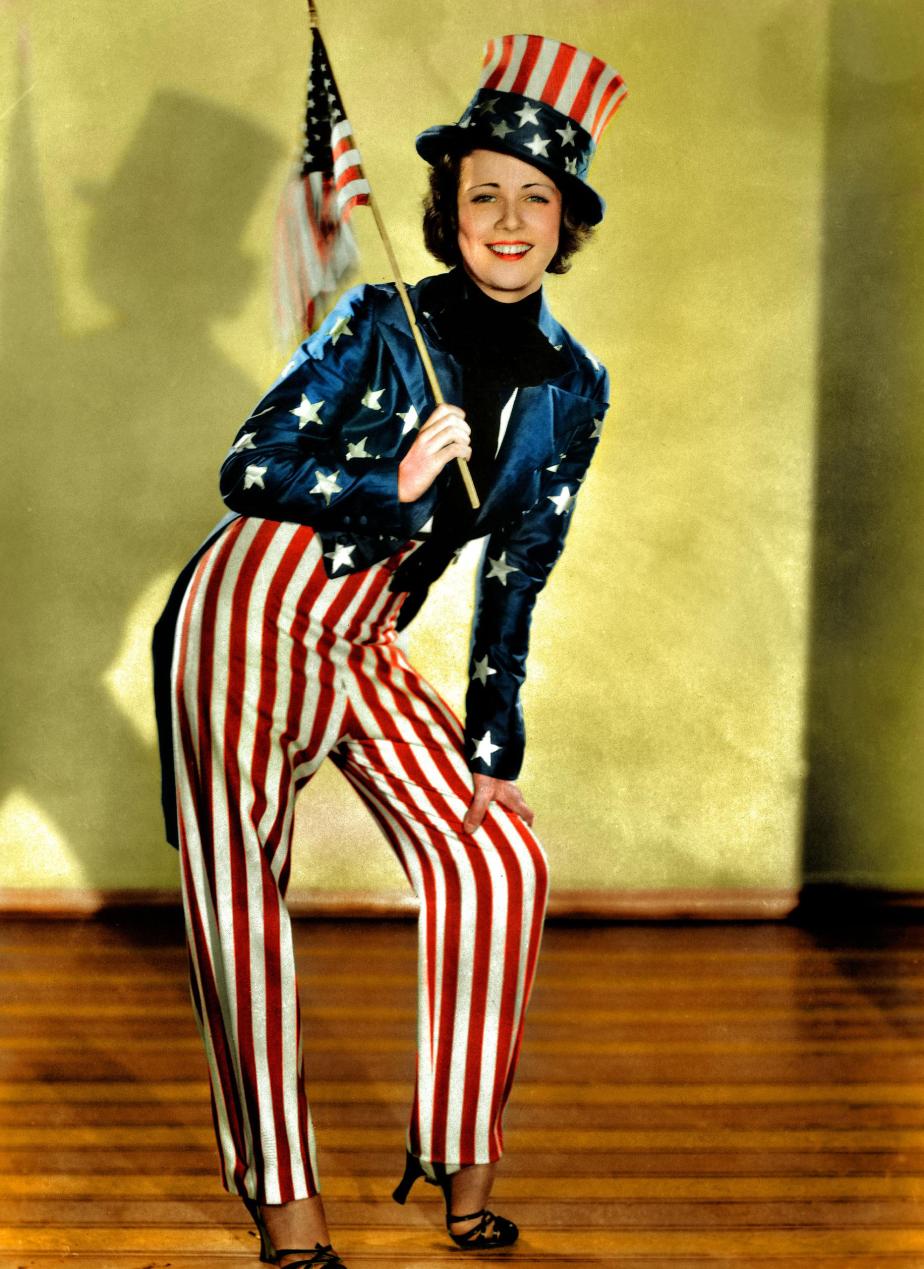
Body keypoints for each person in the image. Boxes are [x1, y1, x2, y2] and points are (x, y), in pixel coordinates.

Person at [153, 32, 626, 1269]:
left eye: (537, 198)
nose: (509, 220)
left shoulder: (576, 384)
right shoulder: (376, 326)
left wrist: (490, 739)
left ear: (567, 221)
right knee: (242, 903)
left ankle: (461, 1166)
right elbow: (246, 469)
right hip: (248, 615)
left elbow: (522, 566)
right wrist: (388, 474)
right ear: (448, 212)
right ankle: (283, 1200)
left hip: (360, 638)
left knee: (498, 862)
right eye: (485, 195)